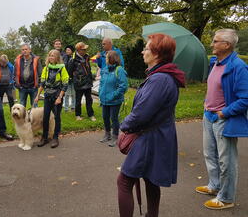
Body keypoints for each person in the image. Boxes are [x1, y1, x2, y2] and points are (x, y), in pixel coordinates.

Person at [117, 33, 185, 217]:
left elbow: (141, 114)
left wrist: (123, 126)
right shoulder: (161, 76)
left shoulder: (159, 79)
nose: (142, 51)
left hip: (151, 138)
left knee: (124, 181)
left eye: (146, 48)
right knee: (150, 178)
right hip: (156, 135)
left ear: (156, 54)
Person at [195, 29, 248, 210]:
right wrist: (206, 104)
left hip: (223, 119)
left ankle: (226, 198)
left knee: (227, 161)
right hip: (208, 116)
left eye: (216, 41)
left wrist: (224, 113)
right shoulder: (216, 63)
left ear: (227, 45)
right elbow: (213, 88)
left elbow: (245, 98)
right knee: (210, 154)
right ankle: (214, 185)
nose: (212, 44)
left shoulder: (238, 67)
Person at [34, 49, 69, 148]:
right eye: (50, 55)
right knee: (45, 117)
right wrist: (37, 96)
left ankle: (55, 137)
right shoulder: (46, 68)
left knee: (57, 117)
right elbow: (42, 83)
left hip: (57, 96)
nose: (51, 57)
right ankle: (44, 137)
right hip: (48, 96)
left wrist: (59, 97)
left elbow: (65, 84)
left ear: (57, 57)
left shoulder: (62, 68)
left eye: (53, 56)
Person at [99, 50, 128, 147]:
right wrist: (100, 93)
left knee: (114, 118)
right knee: (105, 117)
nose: (105, 59)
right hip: (105, 100)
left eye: (107, 57)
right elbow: (102, 83)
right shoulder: (105, 69)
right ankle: (107, 134)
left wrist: (113, 95)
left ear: (112, 58)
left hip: (115, 100)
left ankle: (115, 136)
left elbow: (123, 86)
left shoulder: (119, 70)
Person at [67, 42, 96, 121]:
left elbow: (88, 69)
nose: (85, 50)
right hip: (79, 83)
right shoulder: (73, 59)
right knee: (78, 100)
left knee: (89, 99)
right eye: (84, 49)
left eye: (85, 49)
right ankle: (78, 115)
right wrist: (76, 78)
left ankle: (91, 115)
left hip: (88, 82)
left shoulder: (87, 57)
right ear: (79, 50)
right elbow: (69, 72)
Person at [63, 45, 75, 112]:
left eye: (68, 50)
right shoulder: (64, 58)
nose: (67, 51)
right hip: (66, 79)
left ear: (72, 51)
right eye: (66, 50)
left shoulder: (74, 58)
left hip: (73, 79)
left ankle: (73, 107)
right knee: (66, 94)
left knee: (73, 94)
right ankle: (66, 108)